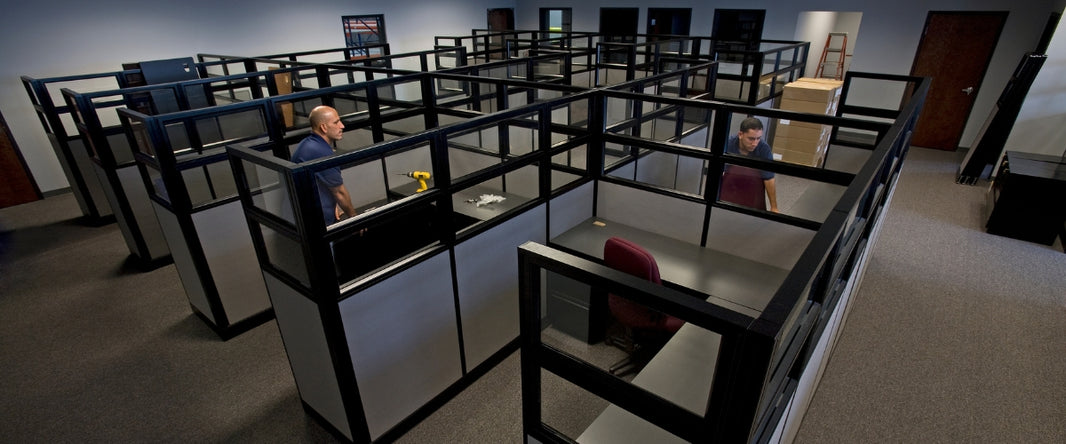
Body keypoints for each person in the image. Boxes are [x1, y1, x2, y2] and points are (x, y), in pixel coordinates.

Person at [290, 105, 357, 224]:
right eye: (336, 122)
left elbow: (321, 183)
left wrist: (333, 205)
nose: (342, 126)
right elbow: (339, 192)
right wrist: (354, 218)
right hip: (319, 222)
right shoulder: (319, 151)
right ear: (324, 127)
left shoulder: (310, 144)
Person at [720, 117, 779, 212]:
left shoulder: (764, 149)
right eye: (751, 139)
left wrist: (774, 207)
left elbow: (769, 178)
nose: (755, 143)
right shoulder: (728, 144)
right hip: (732, 182)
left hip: (753, 183)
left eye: (758, 138)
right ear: (740, 135)